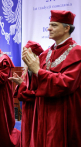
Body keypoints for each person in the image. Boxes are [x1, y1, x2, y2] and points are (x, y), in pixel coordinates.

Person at [21, 10, 81, 146]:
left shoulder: (77, 52)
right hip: (42, 111)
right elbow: (35, 85)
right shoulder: (46, 53)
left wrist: (37, 71)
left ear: (67, 28)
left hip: (61, 112)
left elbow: (66, 84)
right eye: (49, 25)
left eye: (54, 25)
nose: (49, 28)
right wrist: (30, 70)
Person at [9, 41, 44, 147]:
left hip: (36, 109)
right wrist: (20, 83)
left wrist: (22, 85)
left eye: (26, 52)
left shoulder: (40, 70)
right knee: (27, 132)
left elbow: (40, 92)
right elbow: (24, 88)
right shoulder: (27, 69)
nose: (23, 55)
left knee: (34, 133)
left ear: (33, 54)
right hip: (27, 108)